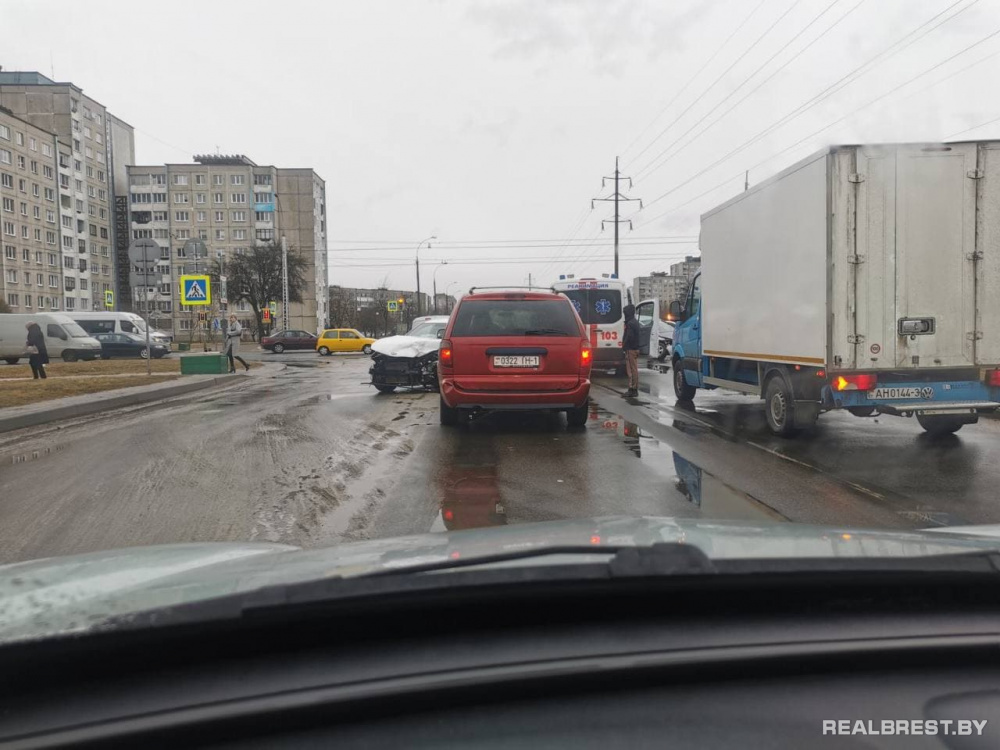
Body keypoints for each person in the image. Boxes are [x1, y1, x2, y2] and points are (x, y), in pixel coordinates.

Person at [622, 304, 641, 398]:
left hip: (631, 349)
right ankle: (634, 389)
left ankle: (632, 389)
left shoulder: (630, 323)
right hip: (635, 348)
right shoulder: (635, 322)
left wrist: (624, 345)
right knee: (634, 369)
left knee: (631, 370)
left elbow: (629, 336)